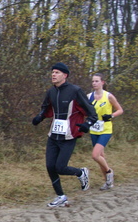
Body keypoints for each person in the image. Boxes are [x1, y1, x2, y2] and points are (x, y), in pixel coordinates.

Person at [32, 62, 98, 208]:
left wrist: (87, 124)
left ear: (65, 75)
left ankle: (81, 173)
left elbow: (92, 112)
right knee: (50, 166)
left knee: (60, 167)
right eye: (52, 72)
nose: (53, 75)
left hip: (69, 135)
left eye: (56, 72)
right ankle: (61, 197)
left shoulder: (75, 91)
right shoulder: (51, 92)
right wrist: (39, 117)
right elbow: (46, 109)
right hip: (54, 135)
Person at [87, 73, 124, 190]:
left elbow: (120, 110)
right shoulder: (89, 96)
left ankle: (109, 172)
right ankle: (108, 183)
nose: (94, 83)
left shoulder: (109, 96)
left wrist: (111, 115)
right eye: (93, 81)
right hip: (94, 129)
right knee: (101, 157)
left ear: (102, 82)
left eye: (97, 81)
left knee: (95, 155)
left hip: (106, 129)